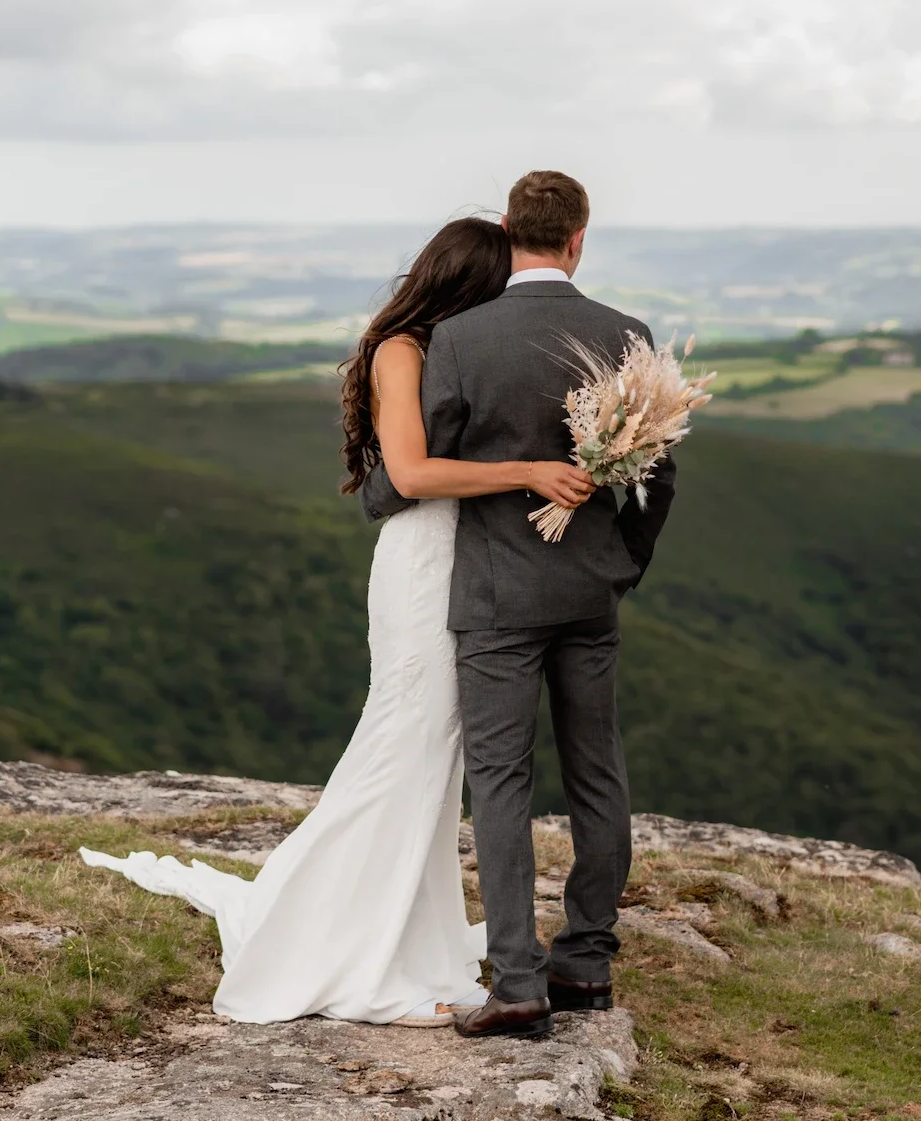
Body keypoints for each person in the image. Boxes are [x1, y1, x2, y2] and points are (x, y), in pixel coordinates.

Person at [79, 215, 595, 1027]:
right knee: (407, 741)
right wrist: (528, 469)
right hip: (423, 565)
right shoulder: (402, 350)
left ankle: (402, 929)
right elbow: (413, 470)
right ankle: (341, 938)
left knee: (433, 753)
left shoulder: (445, 347)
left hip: (457, 559)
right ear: (468, 283)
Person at [361, 170, 677, 1041]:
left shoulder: (458, 340)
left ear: (509, 229)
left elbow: (427, 471)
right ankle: (587, 962)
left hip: (495, 595)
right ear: (580, 237)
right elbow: (657, 476)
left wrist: (377, 492)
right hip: (587, 595)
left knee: (501, 780)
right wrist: (618, 566)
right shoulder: (628, 335)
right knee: (596, 771)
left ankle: (517, 979)